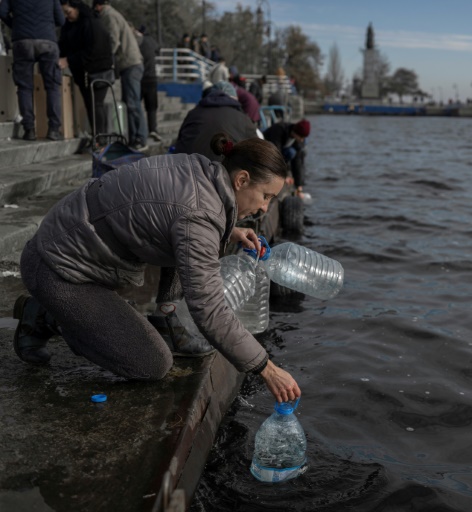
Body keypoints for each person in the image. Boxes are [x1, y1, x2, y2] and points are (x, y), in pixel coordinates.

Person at [12, 134, 301, 404]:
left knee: (187, 249)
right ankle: (44, 315)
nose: (265, 208)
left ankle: (167, 318)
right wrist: (267, 368)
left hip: (64, 240)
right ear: (241, 180)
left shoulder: (199, 170)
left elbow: (175, 213)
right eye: (266, 196)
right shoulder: (199, 216)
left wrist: (231, 231)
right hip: (59, 269)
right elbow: (210, 309)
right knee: (151, 363)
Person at [0, 0, 64, 141]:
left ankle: (29, 130)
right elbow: (61, 19)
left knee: (24, 87)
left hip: (22, 41)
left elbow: (2, 12)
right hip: (47, 40)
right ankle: (53, 130)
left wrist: (17, 26)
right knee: (52, 86)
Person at [92, 0, 147, 152]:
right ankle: (135, 137)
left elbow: (113, 41)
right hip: (131, 64)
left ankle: (140, 138)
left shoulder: (109, 16)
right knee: (130, 102)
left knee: (132, 102)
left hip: (131, 64)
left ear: (98, 6)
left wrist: (104, 57)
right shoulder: (115, 14)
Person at [58, 0, 112, 142]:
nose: (66, 16)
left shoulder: (91, 23)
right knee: (92, 105)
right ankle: (99, 138)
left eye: (68, 12)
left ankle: (101, 140)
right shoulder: (71, 25)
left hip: (98, 70)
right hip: (85, 73)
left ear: (76, 8)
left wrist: (68, 60)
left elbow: (93, 50)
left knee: (95, 105)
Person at [174, 81, 258, 161]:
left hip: (184, 170)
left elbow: (180, 140)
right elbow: (258, 151)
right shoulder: (243, 119)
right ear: (234, 98)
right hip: (222, 174)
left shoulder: (193, 113)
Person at [263, 119, 310, 196]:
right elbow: (276, 153)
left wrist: (299, 185)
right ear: (295, 132)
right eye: (301, 137)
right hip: (266, 149)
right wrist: (284, 175)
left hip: (281, 150)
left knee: (298, 152)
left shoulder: (297, 139)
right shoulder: (279, 129)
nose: (302, 139)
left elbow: (298, 162)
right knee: (291, 152)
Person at [135, 25, 161, 142]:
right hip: (152, 78)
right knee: (151, 107)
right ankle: (153, 129)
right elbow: (158, 50)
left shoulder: (139, 41)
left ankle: (139, 131)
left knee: (136, 105)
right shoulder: (152, 41)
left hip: (140, 77)